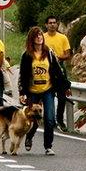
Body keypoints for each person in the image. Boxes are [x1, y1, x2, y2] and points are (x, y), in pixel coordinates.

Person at [19, 26, 70, 156]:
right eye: (36, 36)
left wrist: (66, 85)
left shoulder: (49, 53)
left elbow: (58, 71)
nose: (39, 37)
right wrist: (22, 92)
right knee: (33, 118)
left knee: (49, 119)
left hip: (48, 89)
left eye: (40, 35)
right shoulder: (27, 55)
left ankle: (48, 146)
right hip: (32, 91)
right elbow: (23, 75)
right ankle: (29, 136)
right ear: (32, 39)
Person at [43, 17, 72, 131]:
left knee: (62, 97)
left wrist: (57, 57)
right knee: (46, 95)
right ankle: (49, 119)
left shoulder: (63, 38)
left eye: (54, 23)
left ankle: (60, 119)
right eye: (50, 23)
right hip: (46, 69)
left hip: (59, 68)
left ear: (57, 24)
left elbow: (68, 54)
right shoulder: (43, 37)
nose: (52, 25)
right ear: (46, 25)